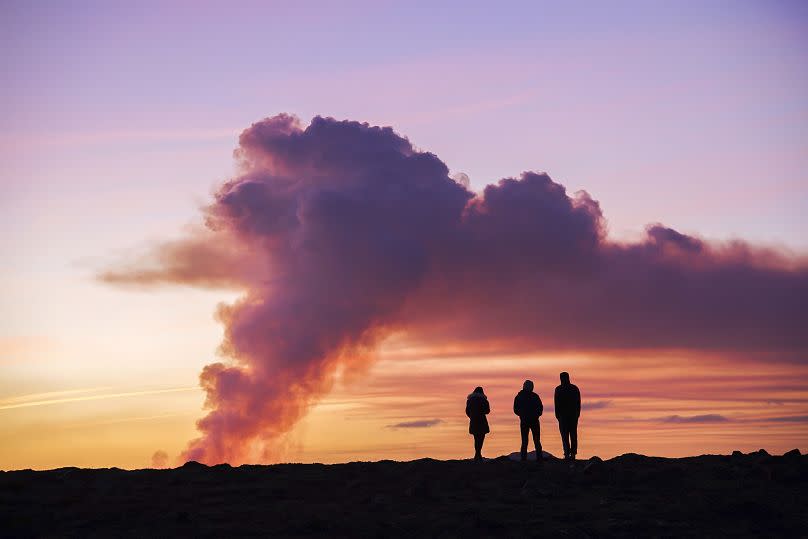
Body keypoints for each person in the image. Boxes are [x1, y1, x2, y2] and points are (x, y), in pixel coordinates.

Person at [513, 380, 543, 461]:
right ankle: (538, 458)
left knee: (525, 440)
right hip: (533, 420)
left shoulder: (519, 396)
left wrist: (522, 415)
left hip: (526, 420)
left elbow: (515, 409)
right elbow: (540, 408)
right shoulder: (534, 396)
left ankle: (524, 459)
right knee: (535, 440)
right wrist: (536, 415)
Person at [554, 371, 581, 460]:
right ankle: (571, 453)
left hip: (565, 416)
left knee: (566, 435)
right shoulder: (574, 388)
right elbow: (578, 403)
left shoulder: (558, 389)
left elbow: (556, 404)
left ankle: (568, 453)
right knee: (572, 435)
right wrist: (577, 414)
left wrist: (557, 415)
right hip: (571, 416)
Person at [465, 386, 490, 461]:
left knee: (476, 438)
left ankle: (477, 454)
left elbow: (467, 411)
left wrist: (471, 416)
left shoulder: (469, 400)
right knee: (481, 438)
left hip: (474, 421)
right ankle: (478, 454)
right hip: (482, 421)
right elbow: (487, 411)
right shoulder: (484, 400)